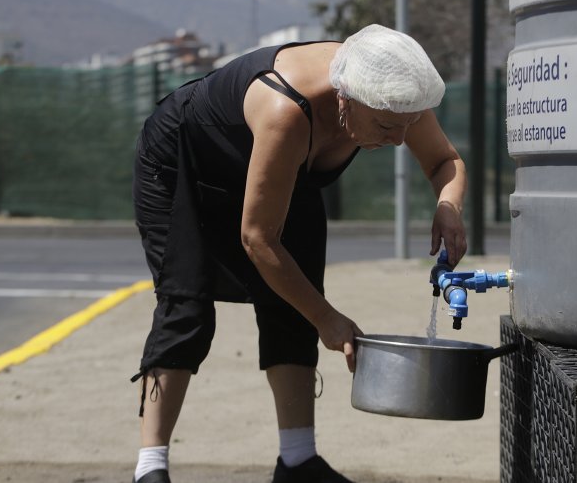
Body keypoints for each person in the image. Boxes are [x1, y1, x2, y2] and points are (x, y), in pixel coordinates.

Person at [130, 24, 468, 483]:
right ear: (346, 98)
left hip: (291, 169)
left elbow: (444, 161)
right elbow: (258, 239)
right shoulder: (284, 109)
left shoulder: (396, 95)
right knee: (186, 306)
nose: (397, 140)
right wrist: (327, 318)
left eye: (407, 126)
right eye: (387, 127)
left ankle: (297, 461)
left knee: (293, 300)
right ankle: (151, 467)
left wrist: (448, 207)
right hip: (186, 162)